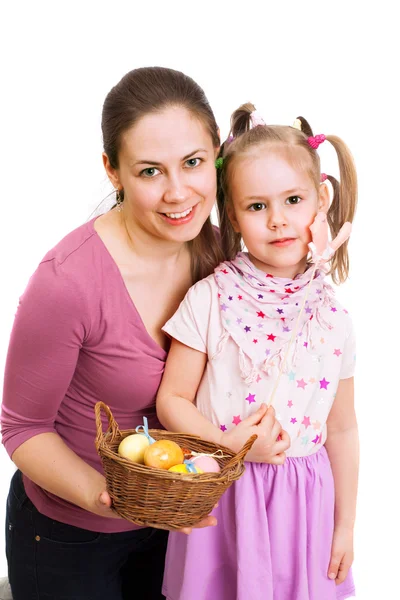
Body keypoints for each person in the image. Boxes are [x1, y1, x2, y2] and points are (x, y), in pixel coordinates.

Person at [1, 69, 284, 600]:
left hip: (186, 528)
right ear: (113, 172)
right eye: (150, 170)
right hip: (72, 534)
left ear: (217, 158)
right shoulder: (66, 283)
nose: (178, 193)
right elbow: (22, 427)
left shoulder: (223, 257)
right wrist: (114, 498)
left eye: (194, 163)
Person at [156, 104, 359, 600]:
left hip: (303, 506)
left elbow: (343, 427)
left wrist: (346, 525)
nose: (278, 221)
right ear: (233, 217)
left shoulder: (332, 317)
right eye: (257, 206)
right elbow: (172, 401)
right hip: (223, 492)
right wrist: (230, 446)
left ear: (321, 202)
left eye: (293, 200)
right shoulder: (210, 297)